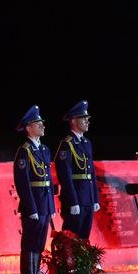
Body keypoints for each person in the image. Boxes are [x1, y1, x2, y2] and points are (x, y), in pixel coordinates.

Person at [14, 105, 55, 274]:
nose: (42, 126)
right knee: (30, 243)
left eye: (42, 123)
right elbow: (23, 183)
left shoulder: (44, 149)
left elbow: (48, 181)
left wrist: (51, 207)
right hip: (34, 205)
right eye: (38, 124)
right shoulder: (24, 151)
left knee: (39, 243)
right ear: (29, 127)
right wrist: (31, 208)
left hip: (45, 204)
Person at [55, 101, 100, 241]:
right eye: (84, 118)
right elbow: (65, 176)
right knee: (70, 239)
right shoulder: (67, 144)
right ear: (74, 121)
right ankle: (67, 264)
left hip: (87, 198)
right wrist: (73, 201)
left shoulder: (86, 143)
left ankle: (83, 264)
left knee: (84, 238)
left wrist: (95, 198)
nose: (87, 121)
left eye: (88, 118)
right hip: (76, 198)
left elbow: (91, 173)